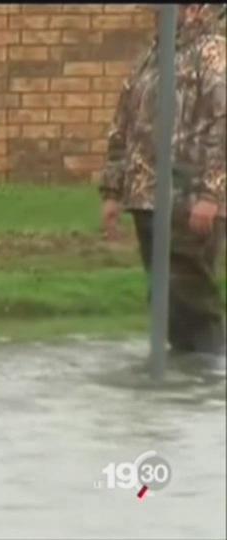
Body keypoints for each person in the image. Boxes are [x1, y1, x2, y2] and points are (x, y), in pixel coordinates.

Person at [100, 3, 226, 356]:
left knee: (191, 297)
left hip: (190, 199)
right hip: (146, 196)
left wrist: (211, 194)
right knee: (165, 297)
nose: (156, 14)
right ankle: (177, 378)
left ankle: (204, 381)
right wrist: (112, 191)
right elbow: (122, 125)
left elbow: (223, 125)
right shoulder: (152, 56)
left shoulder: (213, 55)